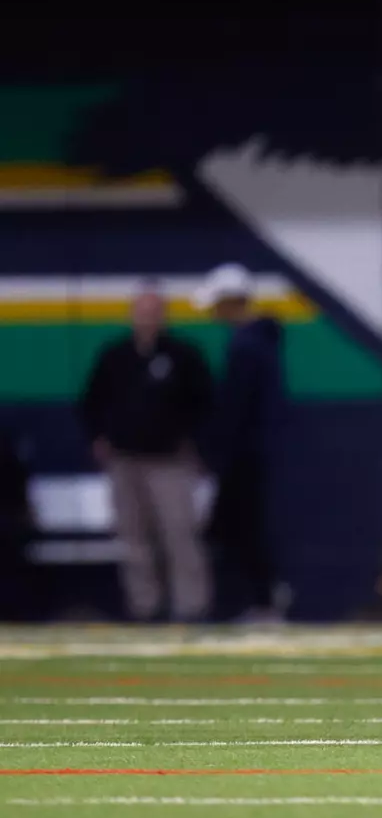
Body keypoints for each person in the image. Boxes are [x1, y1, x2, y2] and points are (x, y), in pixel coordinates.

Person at [78, 281, 215, 622]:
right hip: (125, 461)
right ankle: (145, 607)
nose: (148, 318)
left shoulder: (183, 355)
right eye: (142, 311)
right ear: (133, 315)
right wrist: (99, 436)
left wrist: (193, 441)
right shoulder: (116, 355)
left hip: (170, 462)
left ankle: (191, 608)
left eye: (154, 312)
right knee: (134, 539)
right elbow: (90, 401)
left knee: (179, 534)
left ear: (164, 316)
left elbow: (206, 404)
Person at [195, 263, 288, 623]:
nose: (214, 312)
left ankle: (264, 598)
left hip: (245, 457)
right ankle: (263, 597)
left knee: (241, 529)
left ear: (232, 302)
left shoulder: (247, 347)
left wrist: (216, 451)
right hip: (251, 454)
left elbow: (235, 410)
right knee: (240, 529)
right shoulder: (256, 343)